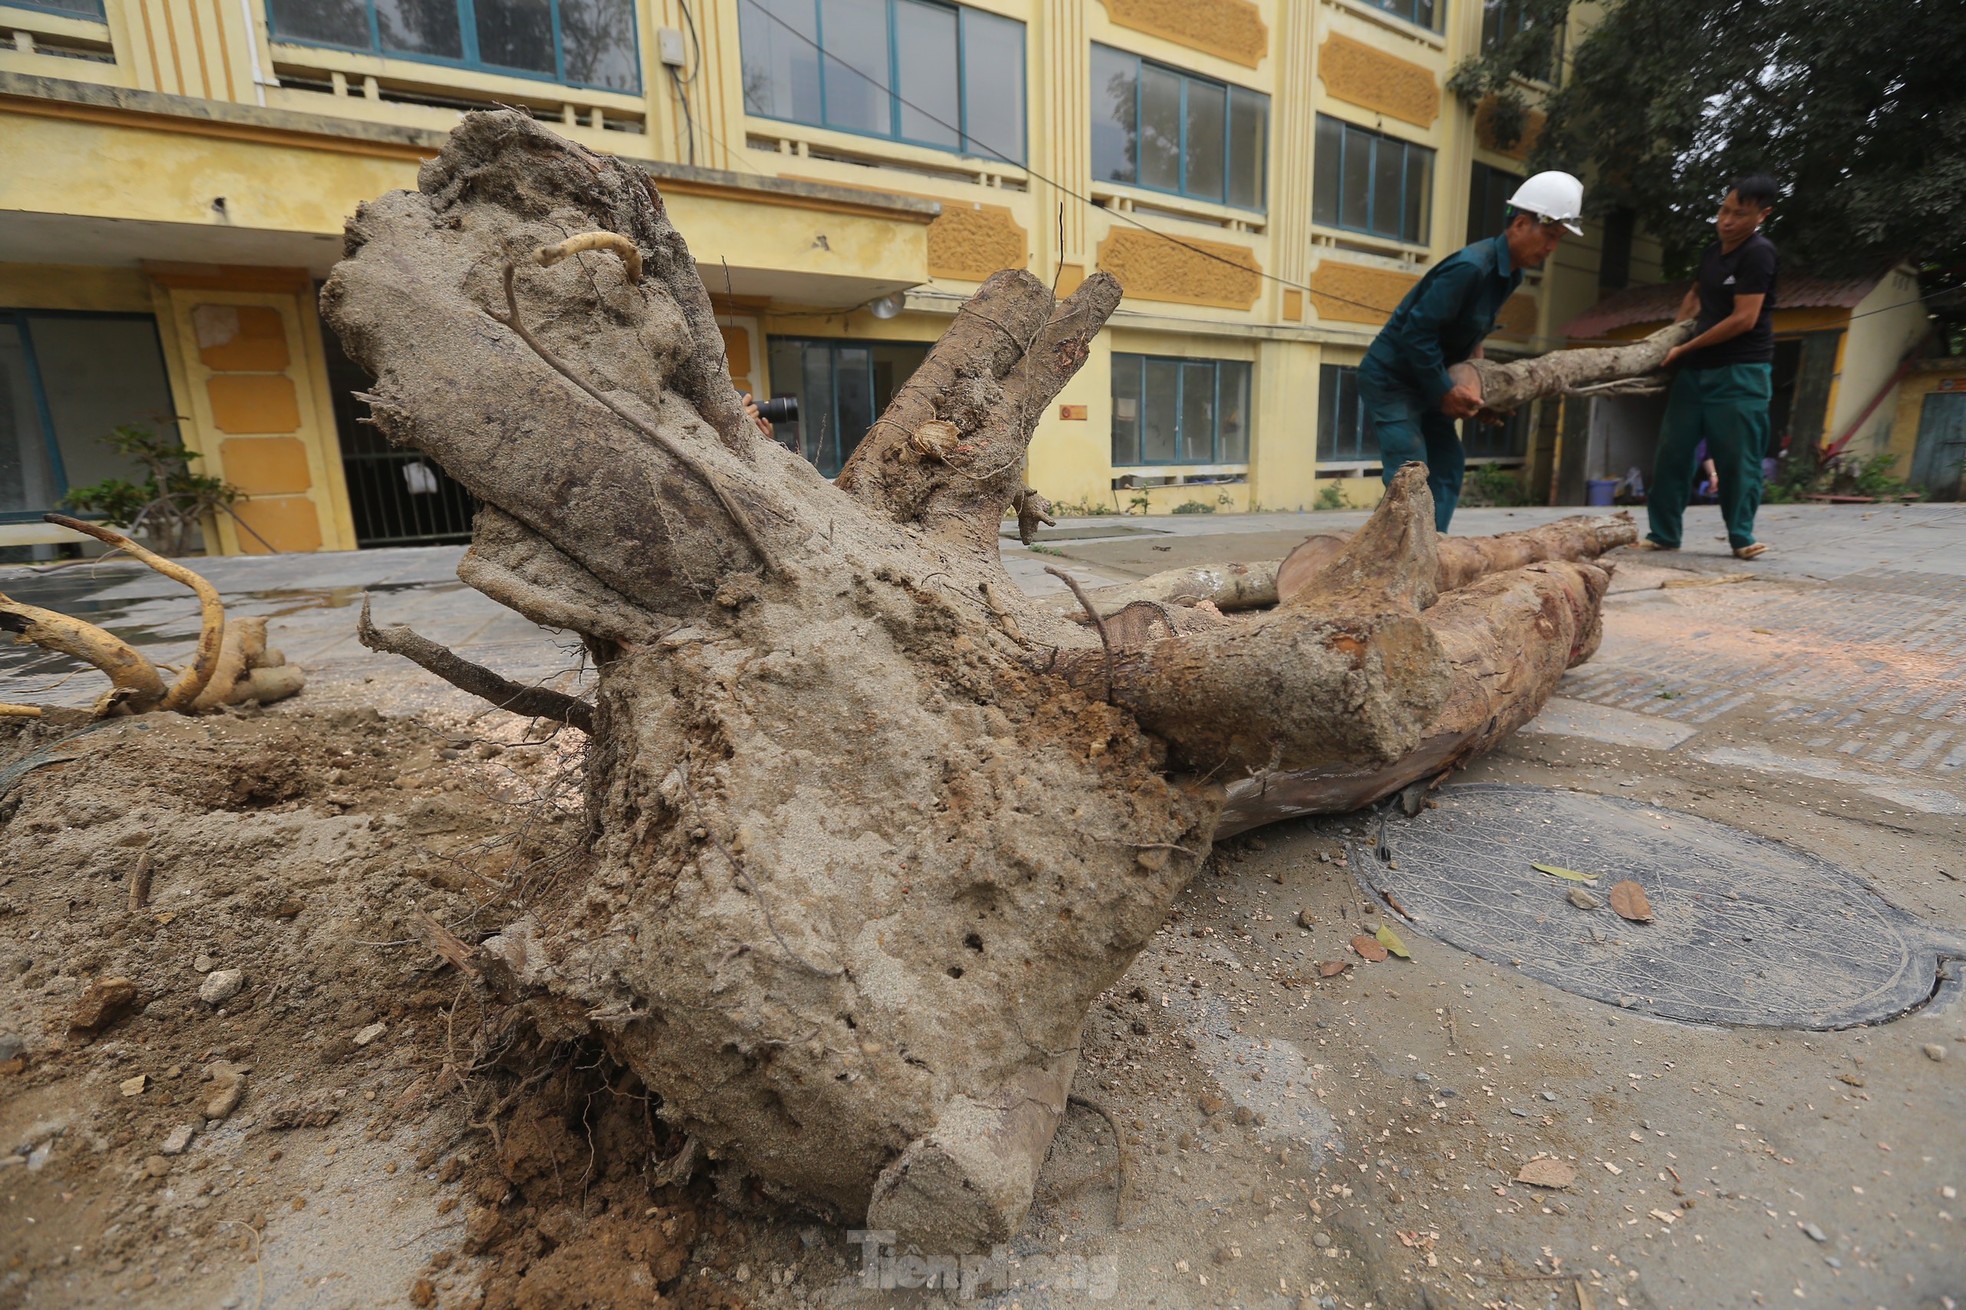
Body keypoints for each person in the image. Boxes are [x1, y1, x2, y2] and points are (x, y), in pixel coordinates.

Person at [1359, 171, 1584, 533]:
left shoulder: (1510, 275)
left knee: (1448, 463)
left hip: (1431, 377)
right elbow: (1418, 332)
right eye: (1550, 236)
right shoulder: (1470, 268)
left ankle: (1433, 548)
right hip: (1393, 379)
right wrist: (1445, 393)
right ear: (1521, 224)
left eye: (1558, 239)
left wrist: (1477, 393)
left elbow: (1471, 336)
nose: (1551, 248)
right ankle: (1397, 554)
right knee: (1410, 468)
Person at [1634, 174, 1780, 560]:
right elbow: (1695, 296)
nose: (1727, 220)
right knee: (1672, 452)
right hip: (1695, 373)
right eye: (1724, 210)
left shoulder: (1759, 253)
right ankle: (1664, 532)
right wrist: (1670, 339)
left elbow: (1744, 318)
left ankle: (1741, 536)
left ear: (1763, 215)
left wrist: (1686, 348)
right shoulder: (1713, 253)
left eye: (1739, 214)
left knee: (1737, 458)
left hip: (1741, 372)